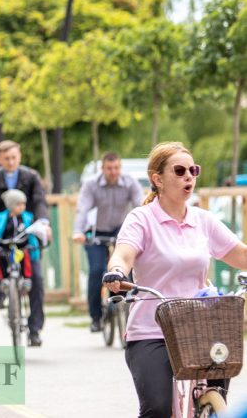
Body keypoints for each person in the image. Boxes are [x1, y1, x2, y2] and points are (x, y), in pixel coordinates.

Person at [102, 142, 247, 418]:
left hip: (201, 328)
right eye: (179, 171)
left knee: (218, 401)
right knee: (157, 408)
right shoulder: (141, 219)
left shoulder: (203, 220)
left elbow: (240, 254)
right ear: (157, 179)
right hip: (151, 331)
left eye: (193, 170)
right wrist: (117, 272)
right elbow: (123, 254)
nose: (189, 176)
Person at [0, 140, 51, 311]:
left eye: (14, 157)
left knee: (37, 278)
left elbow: (39, 202)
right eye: (6, 158)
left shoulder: (31, 176)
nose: (11, 161)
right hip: (0, 230)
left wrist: (44, 223)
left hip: (27, 229)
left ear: (20, 156)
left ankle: (35, 329)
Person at [72, 152, 143, 332]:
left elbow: (140, 207)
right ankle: (96, 317)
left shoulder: (130, 183)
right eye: (109, 168)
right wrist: (78, 231)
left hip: (121, 230)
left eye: (117, 168)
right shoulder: (91, 185)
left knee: (126, 269)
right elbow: (83, 209)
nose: (113, 172)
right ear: (102, 169)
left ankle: (126, 309)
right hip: (96, 232)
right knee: (97, 271)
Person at [0, 189, 46, 347]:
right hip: (6, 251)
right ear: (11, 205)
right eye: (19, 204)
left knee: (37, 280)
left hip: (25, 251)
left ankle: (34, 329)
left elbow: (36, 229)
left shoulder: (28, 217)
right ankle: (3, 286)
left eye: (24, 204)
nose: (23, 207)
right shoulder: (0, 218)